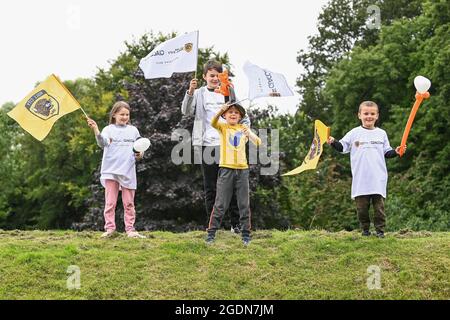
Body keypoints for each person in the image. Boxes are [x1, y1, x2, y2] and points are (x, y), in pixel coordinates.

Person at [181, 60, 251, 233]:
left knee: (233, 186)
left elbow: (243, 116)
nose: (215, 78)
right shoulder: (199, 93)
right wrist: (190, 92)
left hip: (229, 146)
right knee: (211, 187)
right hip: (208, 145)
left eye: (218, 75)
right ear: (204, 76)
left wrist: (246, 131)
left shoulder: (229, 90)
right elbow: (186, 111)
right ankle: (213, 226)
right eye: (211, 75)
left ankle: (236, 225)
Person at [327, 101, 401, 238]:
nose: (369, 116)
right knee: (362, 209)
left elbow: (387, 152)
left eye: (372, 113)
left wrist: (396, 152)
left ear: (377, 116)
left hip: (378, 178)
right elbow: (342, 147)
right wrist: (333, 142)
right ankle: (365, 230)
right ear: (359, 115)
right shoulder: (354, 133)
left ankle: (380, 231)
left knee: (379, 208)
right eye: (366, 113)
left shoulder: (381, 133)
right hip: (361, 179)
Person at [87, 101, 146, 239]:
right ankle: (110, 229)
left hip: (128, 171)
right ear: (114, 115)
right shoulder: (108, 130)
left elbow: (140, 149)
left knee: (129, 203)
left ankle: (130, 230)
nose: (125, 117)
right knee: (110, 202)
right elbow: (102, 143)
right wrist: (96, 129)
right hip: (111, 171)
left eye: (127, 114)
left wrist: (139, 154)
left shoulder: (133, 130)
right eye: (122, 114)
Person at [206, 103, 261, 246]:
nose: (233, 114)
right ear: (225, 115)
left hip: (242, 170)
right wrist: (221, 110)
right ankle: (211, 234)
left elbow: (259, 142)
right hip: (226, 169)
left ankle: (246, 235)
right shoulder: (223, 127)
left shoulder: (243, 129)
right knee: (220, 204)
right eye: (230, 112)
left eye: (236, 113)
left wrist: (249, 134)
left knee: (243, 204)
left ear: (240, 117)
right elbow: (213, 122)